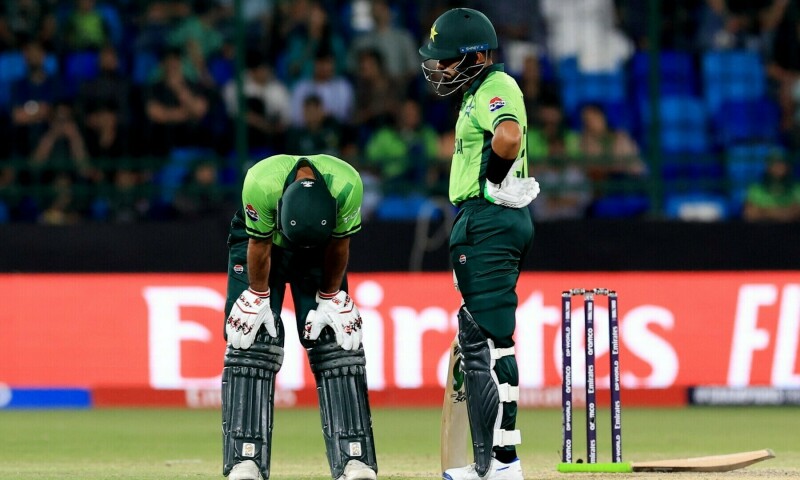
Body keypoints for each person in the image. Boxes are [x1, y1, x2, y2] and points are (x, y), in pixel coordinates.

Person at [419, 8, 539, 480]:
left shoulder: (496, 86)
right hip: (485, 221)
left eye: (447, 59)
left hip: (488, 221)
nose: (439, 68)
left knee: (484, 343)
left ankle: (499, 466)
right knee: (487, 340)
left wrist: (492, 182)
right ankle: (499, 461)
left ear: (474, 57)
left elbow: (508, 136)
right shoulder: (477, 93)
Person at [222, 154, 378, 480]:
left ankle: (354, 458)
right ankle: (244, 459)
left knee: (336, 338)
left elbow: (340, 244)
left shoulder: (347, 184)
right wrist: (258, 296)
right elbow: (259, 243)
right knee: (251, 337)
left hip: (321, 251)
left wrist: (331, 296)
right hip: (266, 244)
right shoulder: (261, 183)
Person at [743, 150, 800, 221]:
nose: (778, 167)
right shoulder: (755, 189)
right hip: (763, 228)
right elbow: (750, 214)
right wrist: (787, 211)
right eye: (774, 164)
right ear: (767, 167)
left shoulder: (797, 188)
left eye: (782, 164)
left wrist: (763, 211)